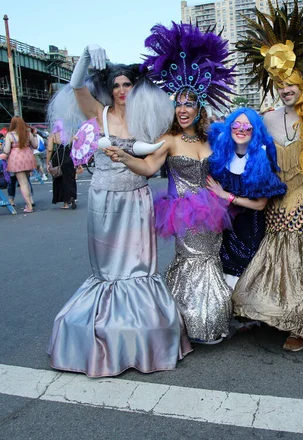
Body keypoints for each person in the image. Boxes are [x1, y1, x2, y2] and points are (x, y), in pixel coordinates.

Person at [46, 42, 191, 377]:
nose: (122, 90)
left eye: (127, 84)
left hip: (137, 200)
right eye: (116, 85)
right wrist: (83, 56)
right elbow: (77, 85)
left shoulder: (148, 119)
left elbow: (167, 145)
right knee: (109, 270)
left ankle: (143, 332)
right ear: (108, 89)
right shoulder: (99, 114)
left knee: (140, 267)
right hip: (103, 202)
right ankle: (105, 331)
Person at [106, 23, 237, 344]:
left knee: (211, 260)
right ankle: (189, 320)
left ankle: (211, 316)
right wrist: (124, 158)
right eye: (178, 104)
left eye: (189, 104)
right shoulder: (168, 140)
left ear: (199, 108)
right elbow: (149, 167)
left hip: (213, 211)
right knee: (190, 260)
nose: (182, 109)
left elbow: (233, 163)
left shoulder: (211, 137)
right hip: (183, 213)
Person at [233, 0, 303, 351]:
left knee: (294, 251)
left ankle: (302, 323)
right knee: (272, 250)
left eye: (290, 82)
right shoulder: (268, 119)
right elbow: (248, 152)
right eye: (280, 84)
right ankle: (274, 310)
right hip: (274, 195)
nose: (285, 88)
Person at [207, 108, 287, 289]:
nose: (241, 129)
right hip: (226, 227)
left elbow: (260, 205)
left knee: (247, 271)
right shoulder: (221, 156)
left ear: (255, 130)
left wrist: (227, 196)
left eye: (247, 126)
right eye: (236, 124)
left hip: (250, 228)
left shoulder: (260, 157)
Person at [2, 117, 37, 213]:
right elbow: (35, 145)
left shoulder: (10, 135)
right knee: (26, 181)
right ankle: (30, 201)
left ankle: (29, 206)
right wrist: (34, 135)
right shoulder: (28, 133)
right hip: (28, 157)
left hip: (16, 159)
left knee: (23, 183)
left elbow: (7, 150)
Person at [46, 121, 77, 209]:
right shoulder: (70, 134)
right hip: (69, 158)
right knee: (70, 179)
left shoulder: (53, 135)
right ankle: (72, 197)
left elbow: (49, 149)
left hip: (58, 160)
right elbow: (75, 147)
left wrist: (48, 162)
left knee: (60, 180)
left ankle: (65, 203)